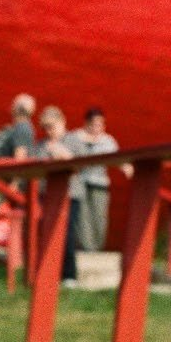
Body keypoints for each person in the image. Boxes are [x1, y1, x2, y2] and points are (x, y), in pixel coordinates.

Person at [64, 107, 132, 253]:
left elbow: (116, 157)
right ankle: (88, 249)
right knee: (83, 219)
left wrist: (126, 167)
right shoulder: (75, 137)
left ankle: (97, 248)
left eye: (101, 124)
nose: (98, 128)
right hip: (80, 183)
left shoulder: (107, 141)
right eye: (95, 124)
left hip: (100, 183)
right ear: (87, 123)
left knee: (100, 217)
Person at [31, 106, 79, 284]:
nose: (48, 131)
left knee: (67, 234)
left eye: (51, 126)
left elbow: (81, 165)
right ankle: (48, 273)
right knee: (47, 233)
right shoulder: (41, 145)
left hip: (70, 194)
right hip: (47, 195)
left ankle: (69, 275)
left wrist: (63, 156)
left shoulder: (73, 140)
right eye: (45, 128)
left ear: (62, 122)